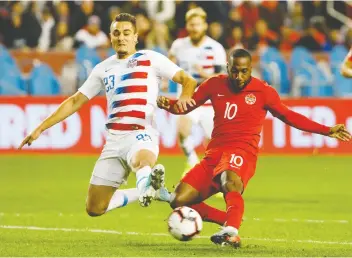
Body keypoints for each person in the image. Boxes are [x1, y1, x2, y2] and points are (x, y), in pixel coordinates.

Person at [157, 48, 351, 247]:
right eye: (234, 71)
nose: (239, 76)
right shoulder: (214, 84)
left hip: (242, 151)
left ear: (251, 69)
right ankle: (229, 219)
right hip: (214, 153)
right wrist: (168, 105)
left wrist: (326, 130)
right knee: (179, 200)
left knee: (229, 181)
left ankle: (231, 232)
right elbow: (188, 105)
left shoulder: (263, 91)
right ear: (228, 68)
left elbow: (289, 116)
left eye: (244, 71)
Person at [18, 13, 197, 216]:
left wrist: (184, 97)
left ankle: (147, 182)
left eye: (127, 33)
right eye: (116, 33)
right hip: (113, 141)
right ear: (110, 37)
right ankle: (148, 190)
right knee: (95, 208)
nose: (121, 37)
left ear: (136, 37)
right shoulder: (103, 69)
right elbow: (76, 100)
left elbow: (187, 79)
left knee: (142, 161)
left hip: (141, 131)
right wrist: (40, 128)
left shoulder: (151, 58)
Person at [169, 7, 227, 173]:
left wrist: (204, 74)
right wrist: (166, 78)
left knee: (212, 143)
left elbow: (222, 77)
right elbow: (170, 61)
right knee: (182, 129)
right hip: (188, 97)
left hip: (210, 101)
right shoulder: (179, 45)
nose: (194, 28)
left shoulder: (215, 48)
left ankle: (213, 177)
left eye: (197, 24)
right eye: (191, 24)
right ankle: (192, 162)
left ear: (204, 26)